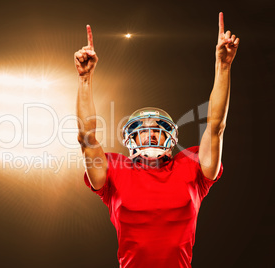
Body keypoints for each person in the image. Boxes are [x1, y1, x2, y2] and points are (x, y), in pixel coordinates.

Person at [74, 12, 239, 268]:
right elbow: (87, 138)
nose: (150, 133)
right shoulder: (114, 170)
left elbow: (216, 127)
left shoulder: (192, 166)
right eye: (143, 129)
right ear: (131, 137)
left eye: (157, 128)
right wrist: (85, 79)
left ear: (170, 137)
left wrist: (224, 66)